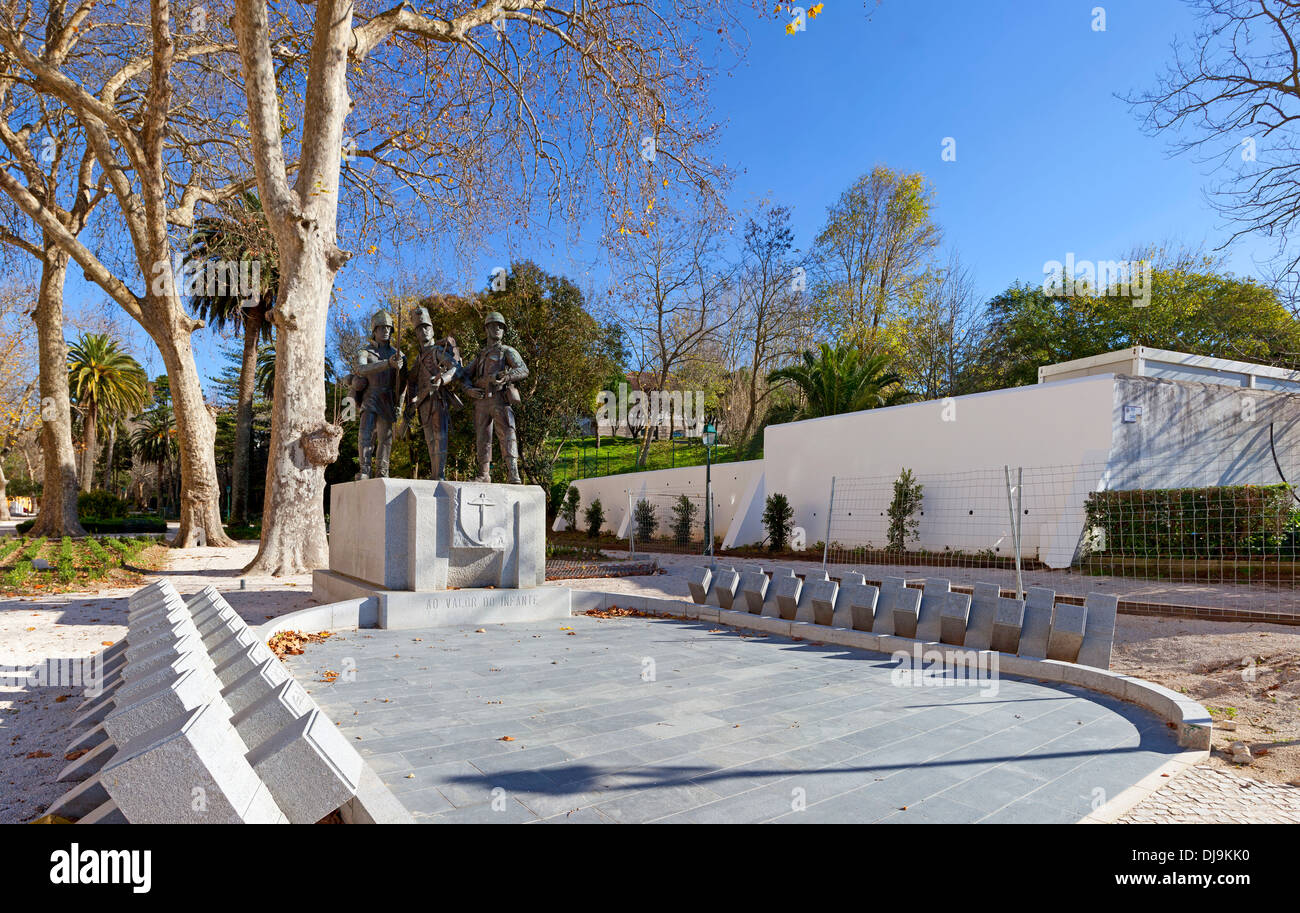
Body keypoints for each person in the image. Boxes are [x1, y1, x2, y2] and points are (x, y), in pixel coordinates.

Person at [462, 311, 528, 484]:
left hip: (500, 398)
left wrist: (506, 377)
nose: (497, 328)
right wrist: (469, 390)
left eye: (500, 326)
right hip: (482, 401)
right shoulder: (480, 355)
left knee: (507, 433)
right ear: (487, 329)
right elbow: (464, 375)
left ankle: (513, 472)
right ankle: (484, 474)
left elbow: (523, 370)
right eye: (493, 325)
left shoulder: (507, 351)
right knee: (482, 438)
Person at [401, 307, 462, 480]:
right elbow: (411, 380)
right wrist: (410, 403)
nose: (424, 331)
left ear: (433, 330)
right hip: (423, 404)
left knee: (439, 438)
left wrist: (442, 379)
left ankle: (439, 475)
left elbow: (455, 369)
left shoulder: (437, 352)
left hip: (438, 399)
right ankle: (436, 475)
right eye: (420, 329)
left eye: (427, 327)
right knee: (430, 441)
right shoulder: (418, 359)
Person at [352, 309, 405, 479]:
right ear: (374, 331)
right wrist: (387, 364)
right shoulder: (365, 352)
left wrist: (399, 405)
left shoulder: (399, 355)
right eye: (382, 328)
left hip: (387, 399)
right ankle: (365, 470)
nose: (386, 331)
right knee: (365, 434)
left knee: (386, 438)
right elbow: (360, 369)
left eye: (389, 328)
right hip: (370, 397)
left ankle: (382, 471)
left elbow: (402, 385)